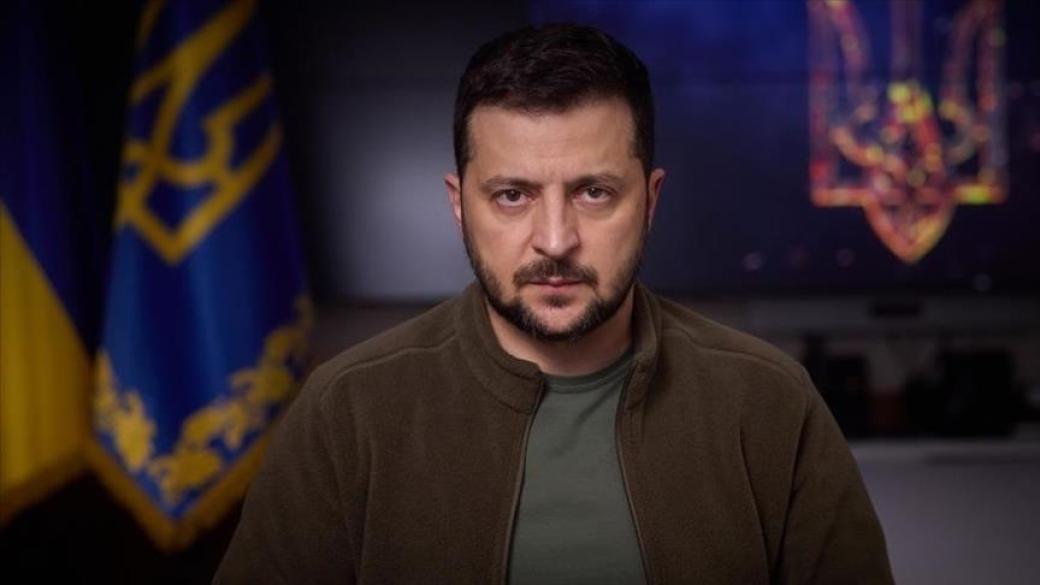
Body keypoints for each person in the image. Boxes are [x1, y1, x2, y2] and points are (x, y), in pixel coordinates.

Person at [215, 23, 893, 585]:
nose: (556, 240)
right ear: (460, 205)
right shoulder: (346, 412)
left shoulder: (769, 403)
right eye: (512, 195)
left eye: (594, 192)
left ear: (650, 201)